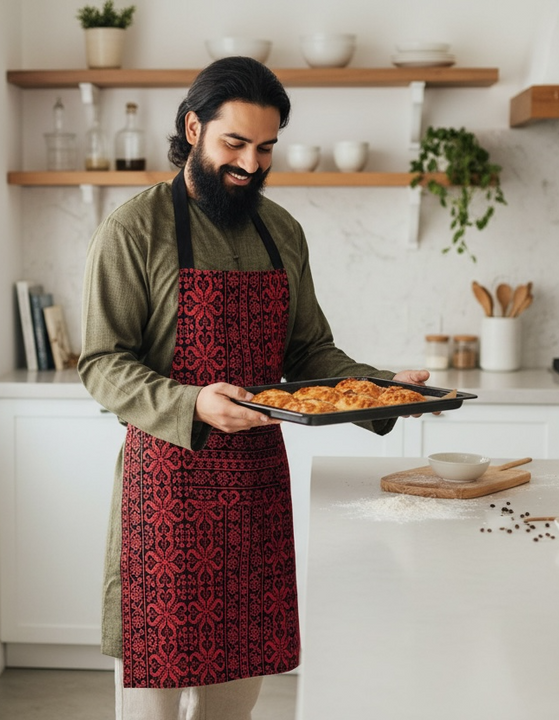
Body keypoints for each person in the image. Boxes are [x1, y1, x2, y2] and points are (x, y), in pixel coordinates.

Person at [78, 56, 431, 719]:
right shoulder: (134, 229)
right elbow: (102, 361)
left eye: (266, 147)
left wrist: (378, 387)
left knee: (234, 704)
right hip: (165, 494)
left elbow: (308, 351)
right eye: (234, 143)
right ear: (192, 127)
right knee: (149, 707)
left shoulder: (283, 233)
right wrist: (192, 403)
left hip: (254, 496)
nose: (251, 163)